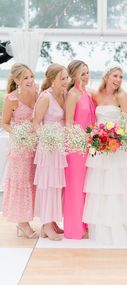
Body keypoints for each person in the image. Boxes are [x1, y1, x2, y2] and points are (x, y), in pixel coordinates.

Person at [82, 65, 127, 245]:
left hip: (117, 148)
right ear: (107, 76)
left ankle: (118, 224)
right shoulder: (95, 95)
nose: (118, 80)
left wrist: (115, 138)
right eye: (115, 76)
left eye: (121, 77)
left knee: (116, 186)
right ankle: (99, 224)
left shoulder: (121, 96)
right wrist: (97, 137)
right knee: (99, 186)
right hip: (99, 147)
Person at [2, 63, 38, 238]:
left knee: (33, 182)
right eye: (25, 77)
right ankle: (22, 223)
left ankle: (31, 219)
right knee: (21, 183)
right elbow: (5, 122)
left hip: (36, 146)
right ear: (17, 80)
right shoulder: (11, 99)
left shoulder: (38, 94)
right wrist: (17, 133)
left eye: (31, 76)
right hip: (20, 148)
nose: (30, 80)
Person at [33, 64, 68, 241]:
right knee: (48, 185)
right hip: (48, 147)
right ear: (52, 80)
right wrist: (46, 139)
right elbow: (36, 123)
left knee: (57, 186)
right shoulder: (45, 97)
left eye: (67, 78)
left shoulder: (64, 94)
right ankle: (46, 225)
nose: (66, 81)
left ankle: (53, 221)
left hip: (60, 146)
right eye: (62, 78)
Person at [64, 60, 95, 239]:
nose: (86, 76)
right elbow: (68, 122)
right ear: (74, 75)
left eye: (88, 72)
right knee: (75, 187)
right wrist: (78, 139)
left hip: (88, 146)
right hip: (76, 148)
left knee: (85, 187)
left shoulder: (87, 94)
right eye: (82, 73)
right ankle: (74, 228)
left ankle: (85, 224)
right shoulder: (72, 94)